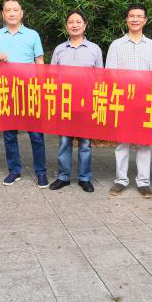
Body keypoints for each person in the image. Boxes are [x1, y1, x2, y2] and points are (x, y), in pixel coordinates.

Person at [0, 0, 48, 188]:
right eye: (8, 10)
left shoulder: (32, 35)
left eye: (15, 10)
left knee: (36, 135)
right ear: (3, 14)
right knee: (9, 135)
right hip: (6, 90)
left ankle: (41, 172)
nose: (12, 13)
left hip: (30, 90)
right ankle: (14, 170)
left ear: (22, 13)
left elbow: (40, 62)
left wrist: (41, 88)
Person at [106, 4, 152, 197]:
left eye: (139, 16)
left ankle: (143, 182)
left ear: (145, 20)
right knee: (122, 141)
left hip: (145, 100)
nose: (135, 19)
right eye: (131, 16)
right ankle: (121, 180)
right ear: (126, 19)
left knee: (144, 142)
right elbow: (110, 74)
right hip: (122, 100)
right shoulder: (116, 45)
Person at [49, 10, 103, 193]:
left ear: (85, 25)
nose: (74, 25)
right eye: (71, 22)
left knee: (85, 143)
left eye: (78, 21)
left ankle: (84, 178)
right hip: (65, 103)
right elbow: (52, 77)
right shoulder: (59, 49)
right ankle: (63, 177)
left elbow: (100, 78)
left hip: (86, 103)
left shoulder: (94, 49)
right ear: (66, 26)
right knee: (64, 141)